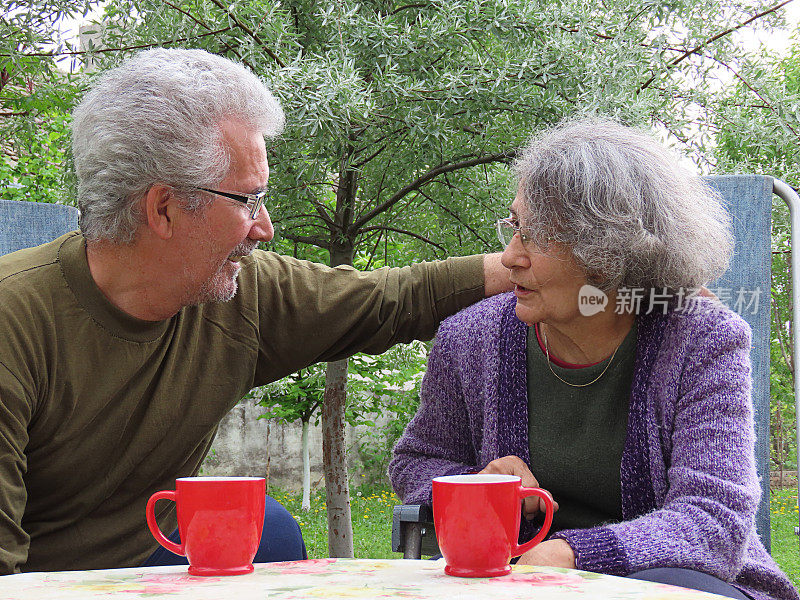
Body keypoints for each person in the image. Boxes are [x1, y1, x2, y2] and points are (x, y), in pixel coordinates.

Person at [0, 48, 509, 575]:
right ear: (164, 208)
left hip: (158, 553)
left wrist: (527, 262)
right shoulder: (14, 326)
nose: (264, 227)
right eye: (248, 199)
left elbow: (394, 299)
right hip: (43, 579)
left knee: (269, 530)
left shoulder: (240, 295)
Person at [389, 118, 798, 600]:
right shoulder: (469, 339)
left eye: (535, 237)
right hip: (516, 586)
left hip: (686, 582)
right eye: (514, 227)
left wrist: (574, 555)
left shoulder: (702, 339)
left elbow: (713, 520)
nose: (508, 257)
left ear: (605, 254)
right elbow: (416, 462)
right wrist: (475, 484)